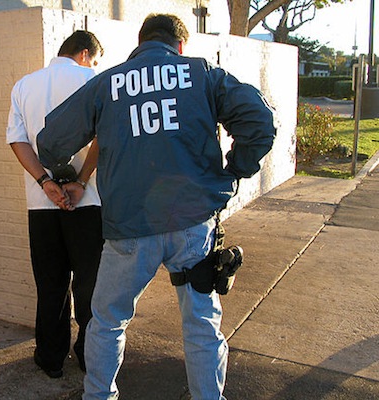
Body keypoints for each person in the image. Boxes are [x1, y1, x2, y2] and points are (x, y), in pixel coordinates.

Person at [37, 14, 276, 399]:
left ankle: (99, 396)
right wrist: (233, 173)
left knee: (107, 322)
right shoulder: (203, 74)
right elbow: (261, 121)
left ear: (140, 42)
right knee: (201, 326)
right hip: (193, 226)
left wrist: (72, 170)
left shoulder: (108, 83)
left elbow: (49, 143)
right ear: (179, 47)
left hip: (130, 230)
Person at [6, 30, 105, 379]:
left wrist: (45, 183)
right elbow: (104, 137)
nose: (93, 64)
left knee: (51, 284)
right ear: (84, 53)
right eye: (94, 58)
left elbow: (17, 140)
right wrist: (79, 182)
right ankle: (90, 357)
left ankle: (50, 357)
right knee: (90, 283)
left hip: (41, 204)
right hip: (88, 202)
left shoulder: (24, 85)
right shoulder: (96, 80)